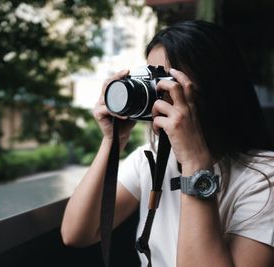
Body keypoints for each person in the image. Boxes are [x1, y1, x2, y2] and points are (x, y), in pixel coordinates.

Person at [60, 20, 274, 267]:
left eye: (167, 80)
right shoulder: (149, 158)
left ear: (213, 87)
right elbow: (77, 233)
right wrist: (113, 140)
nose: (155, 91)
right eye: (150, 78)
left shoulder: (264, 179)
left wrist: (194, 163)